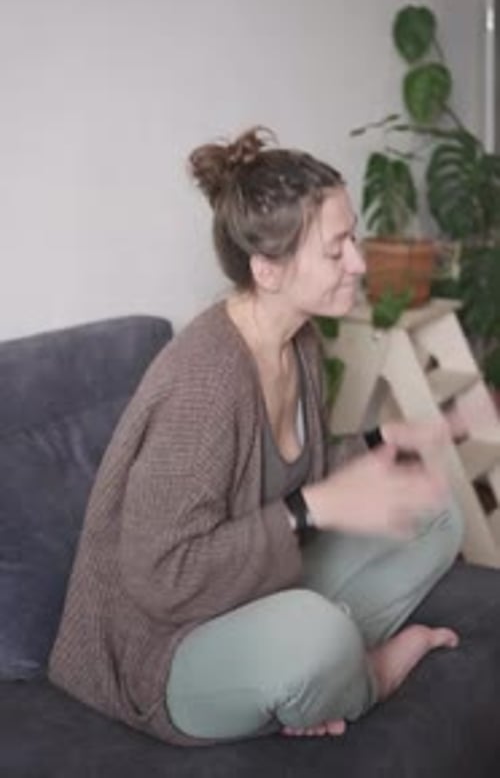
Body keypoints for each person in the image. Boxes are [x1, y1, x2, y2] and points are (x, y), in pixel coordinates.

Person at [49, 127, 463, 747]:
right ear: (268, 269)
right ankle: (361, 670)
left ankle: (325, 660)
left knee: (436, 508)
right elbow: (162, 577)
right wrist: (310, 511)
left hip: (247, 589)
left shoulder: (298, 341)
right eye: (337, 247)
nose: (358, 260)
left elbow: (307, 472)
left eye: (353, 237)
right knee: (311, 638)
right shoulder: (205, 386)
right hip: (162, 649)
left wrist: (385, 440)